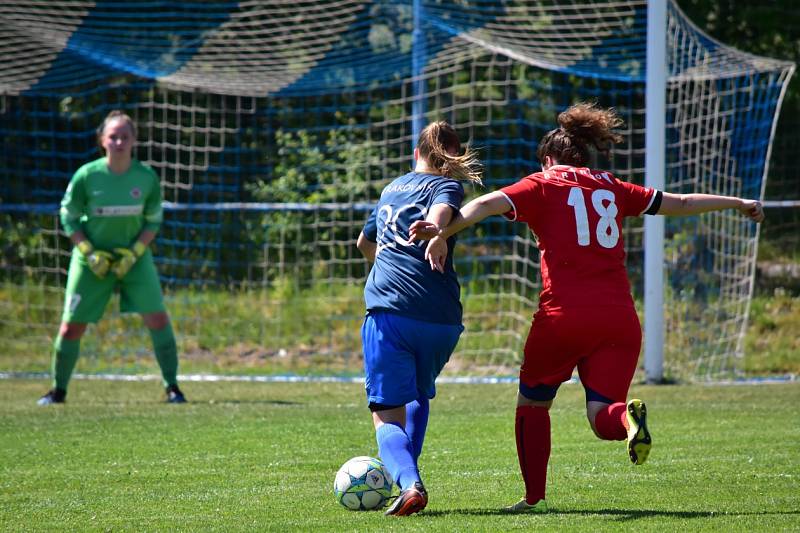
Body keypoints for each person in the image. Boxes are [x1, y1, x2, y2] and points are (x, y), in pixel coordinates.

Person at [410, 102, 765, 513]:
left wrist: (441, 229)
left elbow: (486, 204)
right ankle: (628, 419)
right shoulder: (612, 187)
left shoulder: (542, 183)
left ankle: (533, 497)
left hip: (563, 316)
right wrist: (738, 202)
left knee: (533, 405)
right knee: (602, 417)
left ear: (548, 160)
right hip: (619, 320)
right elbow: (681, 202)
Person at [356, 121, 482, 516]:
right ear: (451, 160)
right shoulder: (449, 185)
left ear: (416, 154)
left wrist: (389, 271)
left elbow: (364, 242)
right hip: (442, 319)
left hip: (391, 314)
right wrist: (437, 230)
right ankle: (409, 480)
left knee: (386, 413)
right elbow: (443, 209)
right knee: (417, 394)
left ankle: (409, 484)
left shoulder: (391, 188)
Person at [38, 110, 187, 405]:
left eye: (125, 136)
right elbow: (68, 217)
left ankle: (173, 388)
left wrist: (134, 253)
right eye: (113, 136)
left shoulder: (145, 178)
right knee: (71, 326)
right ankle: (58, 391)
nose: (119, 141)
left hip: (134, 259)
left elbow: (153, 220)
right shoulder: (87, 176)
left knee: (157, 318)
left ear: (134, 141)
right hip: (91, 261)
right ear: (102, 141)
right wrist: (88, 252)